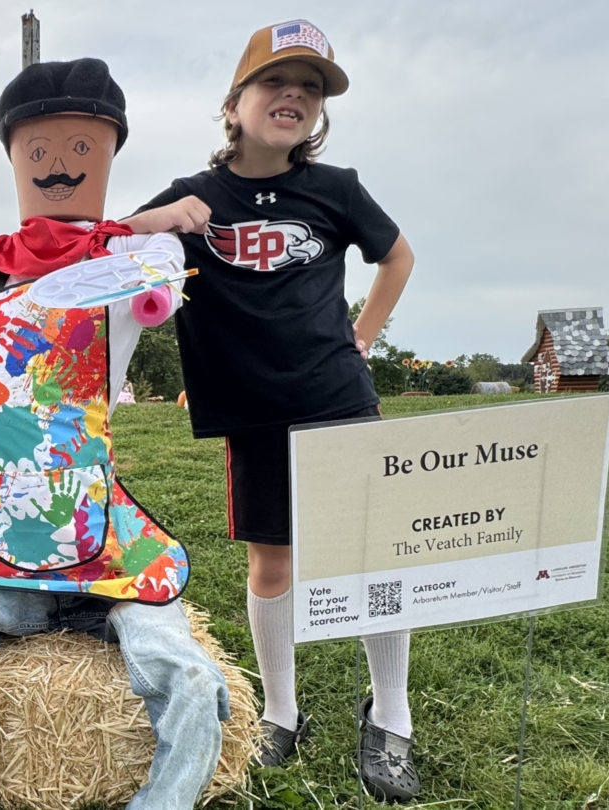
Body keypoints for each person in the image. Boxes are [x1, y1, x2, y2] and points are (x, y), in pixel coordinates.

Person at [0, 58, 231, 809]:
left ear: (109, 154)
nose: (60, 166)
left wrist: (145, 252)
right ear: (12, 157)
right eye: (38, 151)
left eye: (81, 148)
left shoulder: (133, 255)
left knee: (193, 676)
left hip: (107, 553)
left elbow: (159, 283)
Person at [124, 20, 419, 802]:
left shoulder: (336, 189)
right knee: (273, 564)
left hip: (337, 400)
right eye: (276, 81)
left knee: (372, 559)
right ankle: (281, 714)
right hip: (252, 411)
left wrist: (363, 336)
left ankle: (392, 714)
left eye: (312, 87)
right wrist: (157, 221)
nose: (294, 95)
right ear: (234, 102)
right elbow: (104, 244)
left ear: (320, 113)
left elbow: (397, 256)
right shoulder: (198, 197)